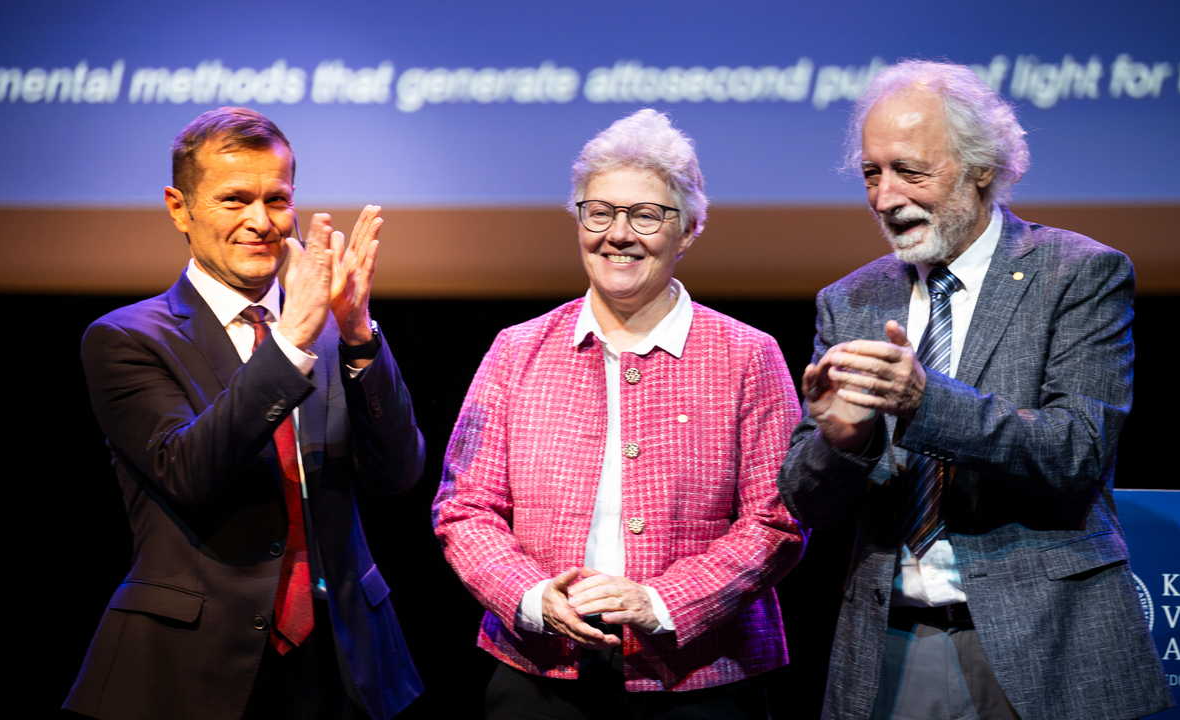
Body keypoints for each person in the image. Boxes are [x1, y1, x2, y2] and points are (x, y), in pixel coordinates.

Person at [776, 61, 1173, 720]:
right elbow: (807, 504)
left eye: (910, 171)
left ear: (982, 167)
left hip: (1046, 641)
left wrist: (924, 401)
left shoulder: (1077, 274)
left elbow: (1075, 453)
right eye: (872, 173)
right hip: (892, 644)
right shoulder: (850, 300)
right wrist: (842, 442)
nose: (885, 197)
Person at [433, 109, 804, 719]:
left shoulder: (747, 355)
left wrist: (661, 604)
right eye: (600, 212)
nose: (618, 234)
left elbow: (778, 520)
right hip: (540, 674)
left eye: (646, 215)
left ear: (688, 230)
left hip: (701, 677)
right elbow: (464, 508)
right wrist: (531, 597)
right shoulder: (516, 350)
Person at [64, 107, 425, 720]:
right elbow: (190, 472)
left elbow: (399, 473)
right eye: (234, 200)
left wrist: (360, 335)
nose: (260, 222)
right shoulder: (128, 338)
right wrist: (292, 342)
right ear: (180, 208)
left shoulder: (336, 334)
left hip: (345, 660)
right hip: (194, 664)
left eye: (276, 200)